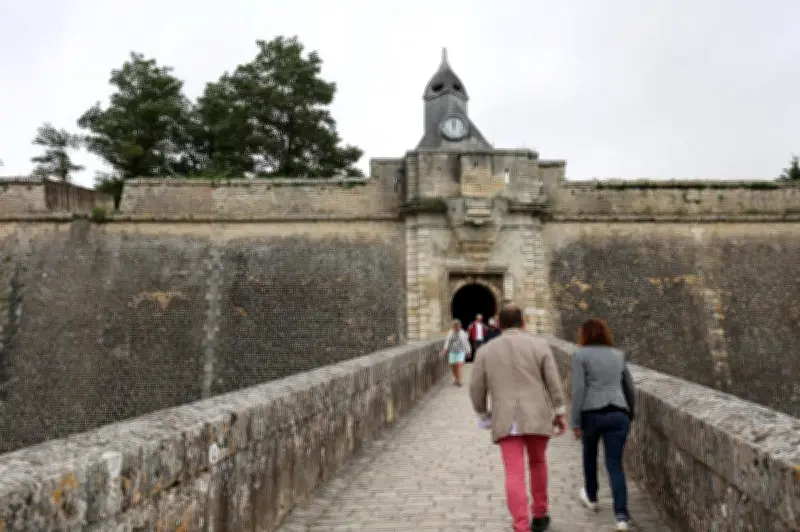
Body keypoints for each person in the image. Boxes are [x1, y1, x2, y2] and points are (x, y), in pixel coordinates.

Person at [469, 304, 568, 532]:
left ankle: (520, 525)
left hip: (506, 417)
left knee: (513, 473)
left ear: (499, 324)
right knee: (538, 463)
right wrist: (560, 412)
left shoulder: (485, 351)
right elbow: (553, 381)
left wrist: (483, 413)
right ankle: (540, 514)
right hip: (537, 415)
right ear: (523, 322)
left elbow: (476, 387)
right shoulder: (539, 344)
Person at [571, 318, 636, 532]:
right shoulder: (618, 355)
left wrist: (575, 421)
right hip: (618, 413)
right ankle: (621, 516)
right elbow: (629, 387)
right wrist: (630, 412)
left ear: (584, 335)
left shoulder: (580, 355)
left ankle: (592, 496)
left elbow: (579, 390)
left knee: (589, 456)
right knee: (615, 465)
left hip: (592, 414)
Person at [441, 319, 470, 386]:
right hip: (452, 352)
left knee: (459, 365)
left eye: (458, 326)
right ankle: (456, 379)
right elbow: (447, 342)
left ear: (460, 326)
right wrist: (445, 349)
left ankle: (459, 381)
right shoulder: (450, 333)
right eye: (456, 326)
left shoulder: (463, 333)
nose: (457, 327)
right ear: (453, 326)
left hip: (461, 351)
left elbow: (466, 342)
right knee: (453, 367)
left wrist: (468, 351)